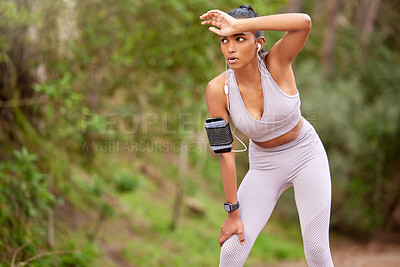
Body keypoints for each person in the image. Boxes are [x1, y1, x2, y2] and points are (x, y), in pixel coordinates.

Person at [200, 5, 334, 267]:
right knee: (230, 252)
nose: (230, 48)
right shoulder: (217, 90)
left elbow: (303, 22)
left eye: (240, 39)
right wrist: (232, 212)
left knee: (317, 250)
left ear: (259, 43)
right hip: (264, 165)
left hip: (306, 154)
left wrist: (239, 24)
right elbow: (225, 156)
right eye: (224, 40)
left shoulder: (277, 62)